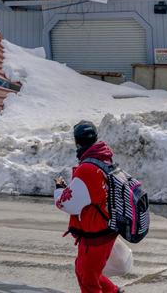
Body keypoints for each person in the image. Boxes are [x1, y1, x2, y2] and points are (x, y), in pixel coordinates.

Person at [54, 120, 121, 293]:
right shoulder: (104, 160)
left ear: (77, 141)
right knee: (86, 270)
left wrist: (59, 189)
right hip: (107, 228)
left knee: (88, 280)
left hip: (95, 235)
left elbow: (68, 204)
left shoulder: (87, 169)